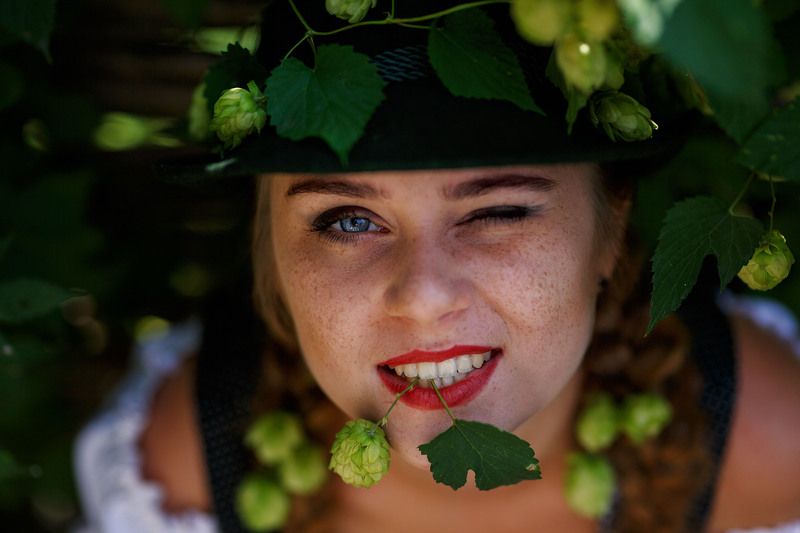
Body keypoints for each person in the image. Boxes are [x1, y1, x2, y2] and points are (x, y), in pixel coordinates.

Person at [74, 1, 800, 532]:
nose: (422, 296)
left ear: (611, 226)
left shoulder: (769, 449)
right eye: (348, 220)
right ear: (270, 255)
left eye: (497, 211)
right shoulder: (189, 471)